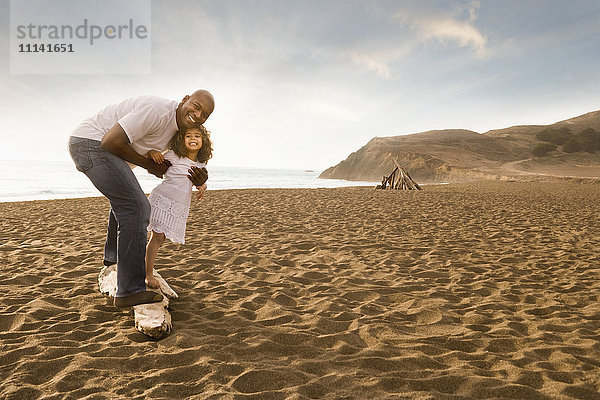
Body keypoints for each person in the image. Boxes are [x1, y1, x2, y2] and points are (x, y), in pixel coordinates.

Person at [67, 90, 214, 308]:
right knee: (137, 206)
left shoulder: (176, 130)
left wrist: (201, 176)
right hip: (90, 143)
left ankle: (113, 259)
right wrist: (149, 166)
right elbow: (110, 141)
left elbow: (179, 161)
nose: (198, 114)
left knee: (127, 198)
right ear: (185, 100)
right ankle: (129, 289)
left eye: (205, 114)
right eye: (196, 106)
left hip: (100, 148)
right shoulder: (157, 110)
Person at [145, 126, 213, 288]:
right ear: (182, 140)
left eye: (197, 136)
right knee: (157, 237)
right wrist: (152, 153)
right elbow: (153, 160)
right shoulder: (175, 155)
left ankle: (145, 268)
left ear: (203, 141)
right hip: (162, 199)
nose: (193, 139)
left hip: (178, 205)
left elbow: (201, 182)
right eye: (188, 136)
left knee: (159, 238)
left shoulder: (201, 163)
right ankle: (148, 274)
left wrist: (202, 189)